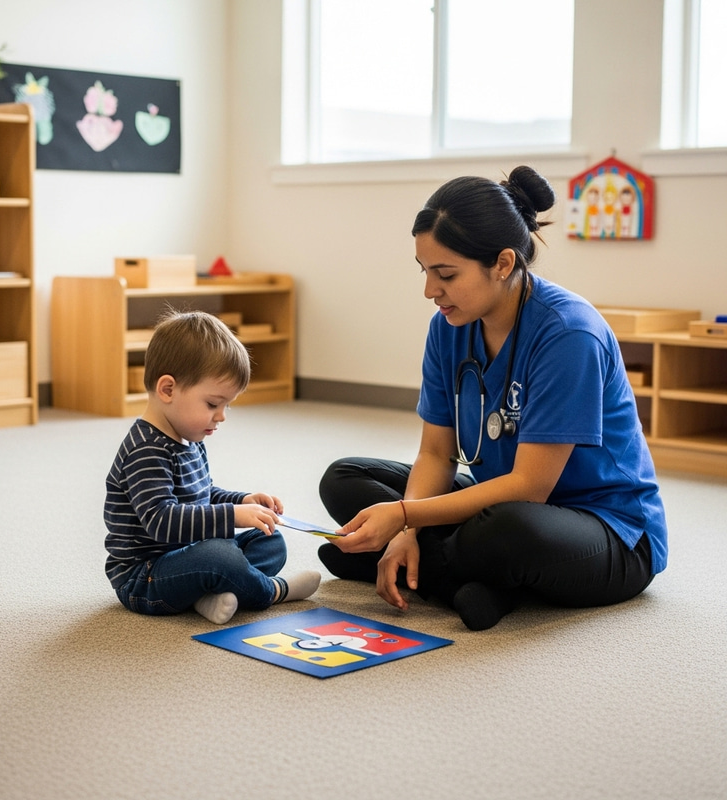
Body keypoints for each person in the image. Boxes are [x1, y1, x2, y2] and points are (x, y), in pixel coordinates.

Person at [318, 166, 668, 631]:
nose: (429, 291)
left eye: (445, 274)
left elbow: (529, 488)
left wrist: (405, 515)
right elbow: (436, 453)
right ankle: (473, 583)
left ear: (503, 264)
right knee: (344, 478)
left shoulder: (569, 333)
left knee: (506, 532)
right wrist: (407, 530)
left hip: (607, 531)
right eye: (424, 272)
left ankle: (436, 574)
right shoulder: (448, 327)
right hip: (497, 504)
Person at [104, 310, 320, 624]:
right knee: (220, 558)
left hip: (188, 556)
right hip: (145, 578)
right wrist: (232, 517)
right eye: (212, 404)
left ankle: (207, 593)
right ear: (168, 390)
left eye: (226, 406)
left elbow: (203, 496)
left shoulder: (189, 437)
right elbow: (162, 521)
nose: (221, 417)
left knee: (269, 539)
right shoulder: (146, 450)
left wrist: (242, 501)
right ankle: (272, 591)